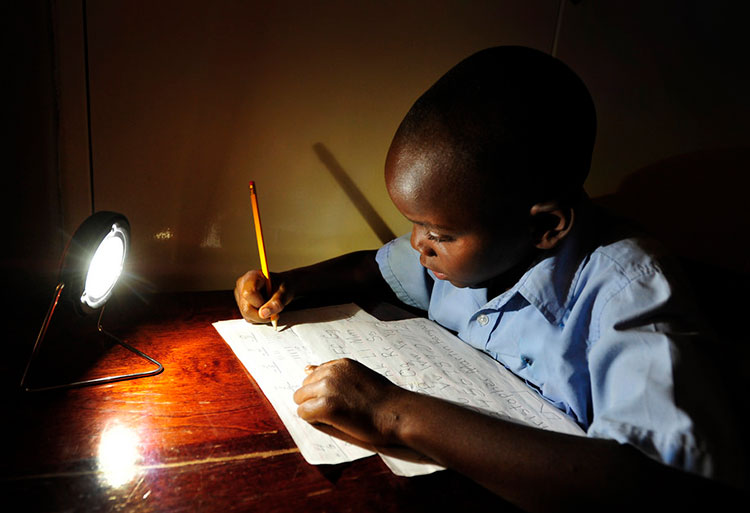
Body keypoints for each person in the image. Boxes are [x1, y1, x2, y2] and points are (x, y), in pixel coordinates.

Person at [234, 46, 745, 510]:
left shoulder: (627, 291)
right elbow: (372, 268)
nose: (417, 244)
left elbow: (649, 485)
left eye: (438, 232)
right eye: (414, 223)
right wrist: (290, 283)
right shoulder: (473, 248)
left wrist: (393, 412)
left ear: (544, 225)